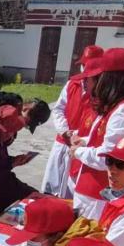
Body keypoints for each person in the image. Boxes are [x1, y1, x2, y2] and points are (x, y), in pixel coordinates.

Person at [70, 48, 124, 220]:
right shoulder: (122, 106)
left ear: (111, 79)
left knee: (87, 239)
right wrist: (86, 141)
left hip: (97, 195)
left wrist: (77, 152)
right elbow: (107, 138)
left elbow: (108, 158)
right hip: (94, 192)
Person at [42, 45, 103, 198]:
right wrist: (64, 131)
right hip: (63, 141)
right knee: (52, 185)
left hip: (82, 145)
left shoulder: (102, 93)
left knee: (72, 190)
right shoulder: (71, 85)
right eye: (83, 65)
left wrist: (78, 137)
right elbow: (58, 109)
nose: (84, 69)